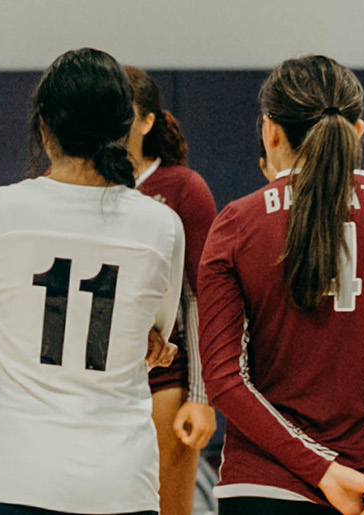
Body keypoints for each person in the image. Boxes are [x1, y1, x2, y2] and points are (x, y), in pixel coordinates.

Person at [0, 48, 184, 515]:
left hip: (14, 475)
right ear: (126, 127)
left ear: (43, 126)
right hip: (121, 481)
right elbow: (156, 338)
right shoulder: (161, 225)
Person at [198, 55, 364, 515]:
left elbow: (223, 380)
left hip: (264, 487)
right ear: (358, 131)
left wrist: (320, 469)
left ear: (270, 131)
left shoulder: (237, 224)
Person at [123, 65, 221, 515]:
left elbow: (200, 299)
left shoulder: (182, 188)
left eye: (122, 114)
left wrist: (200, 398)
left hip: (162, 382)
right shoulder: (70, 181)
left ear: (147, 121)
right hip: (86, 382)